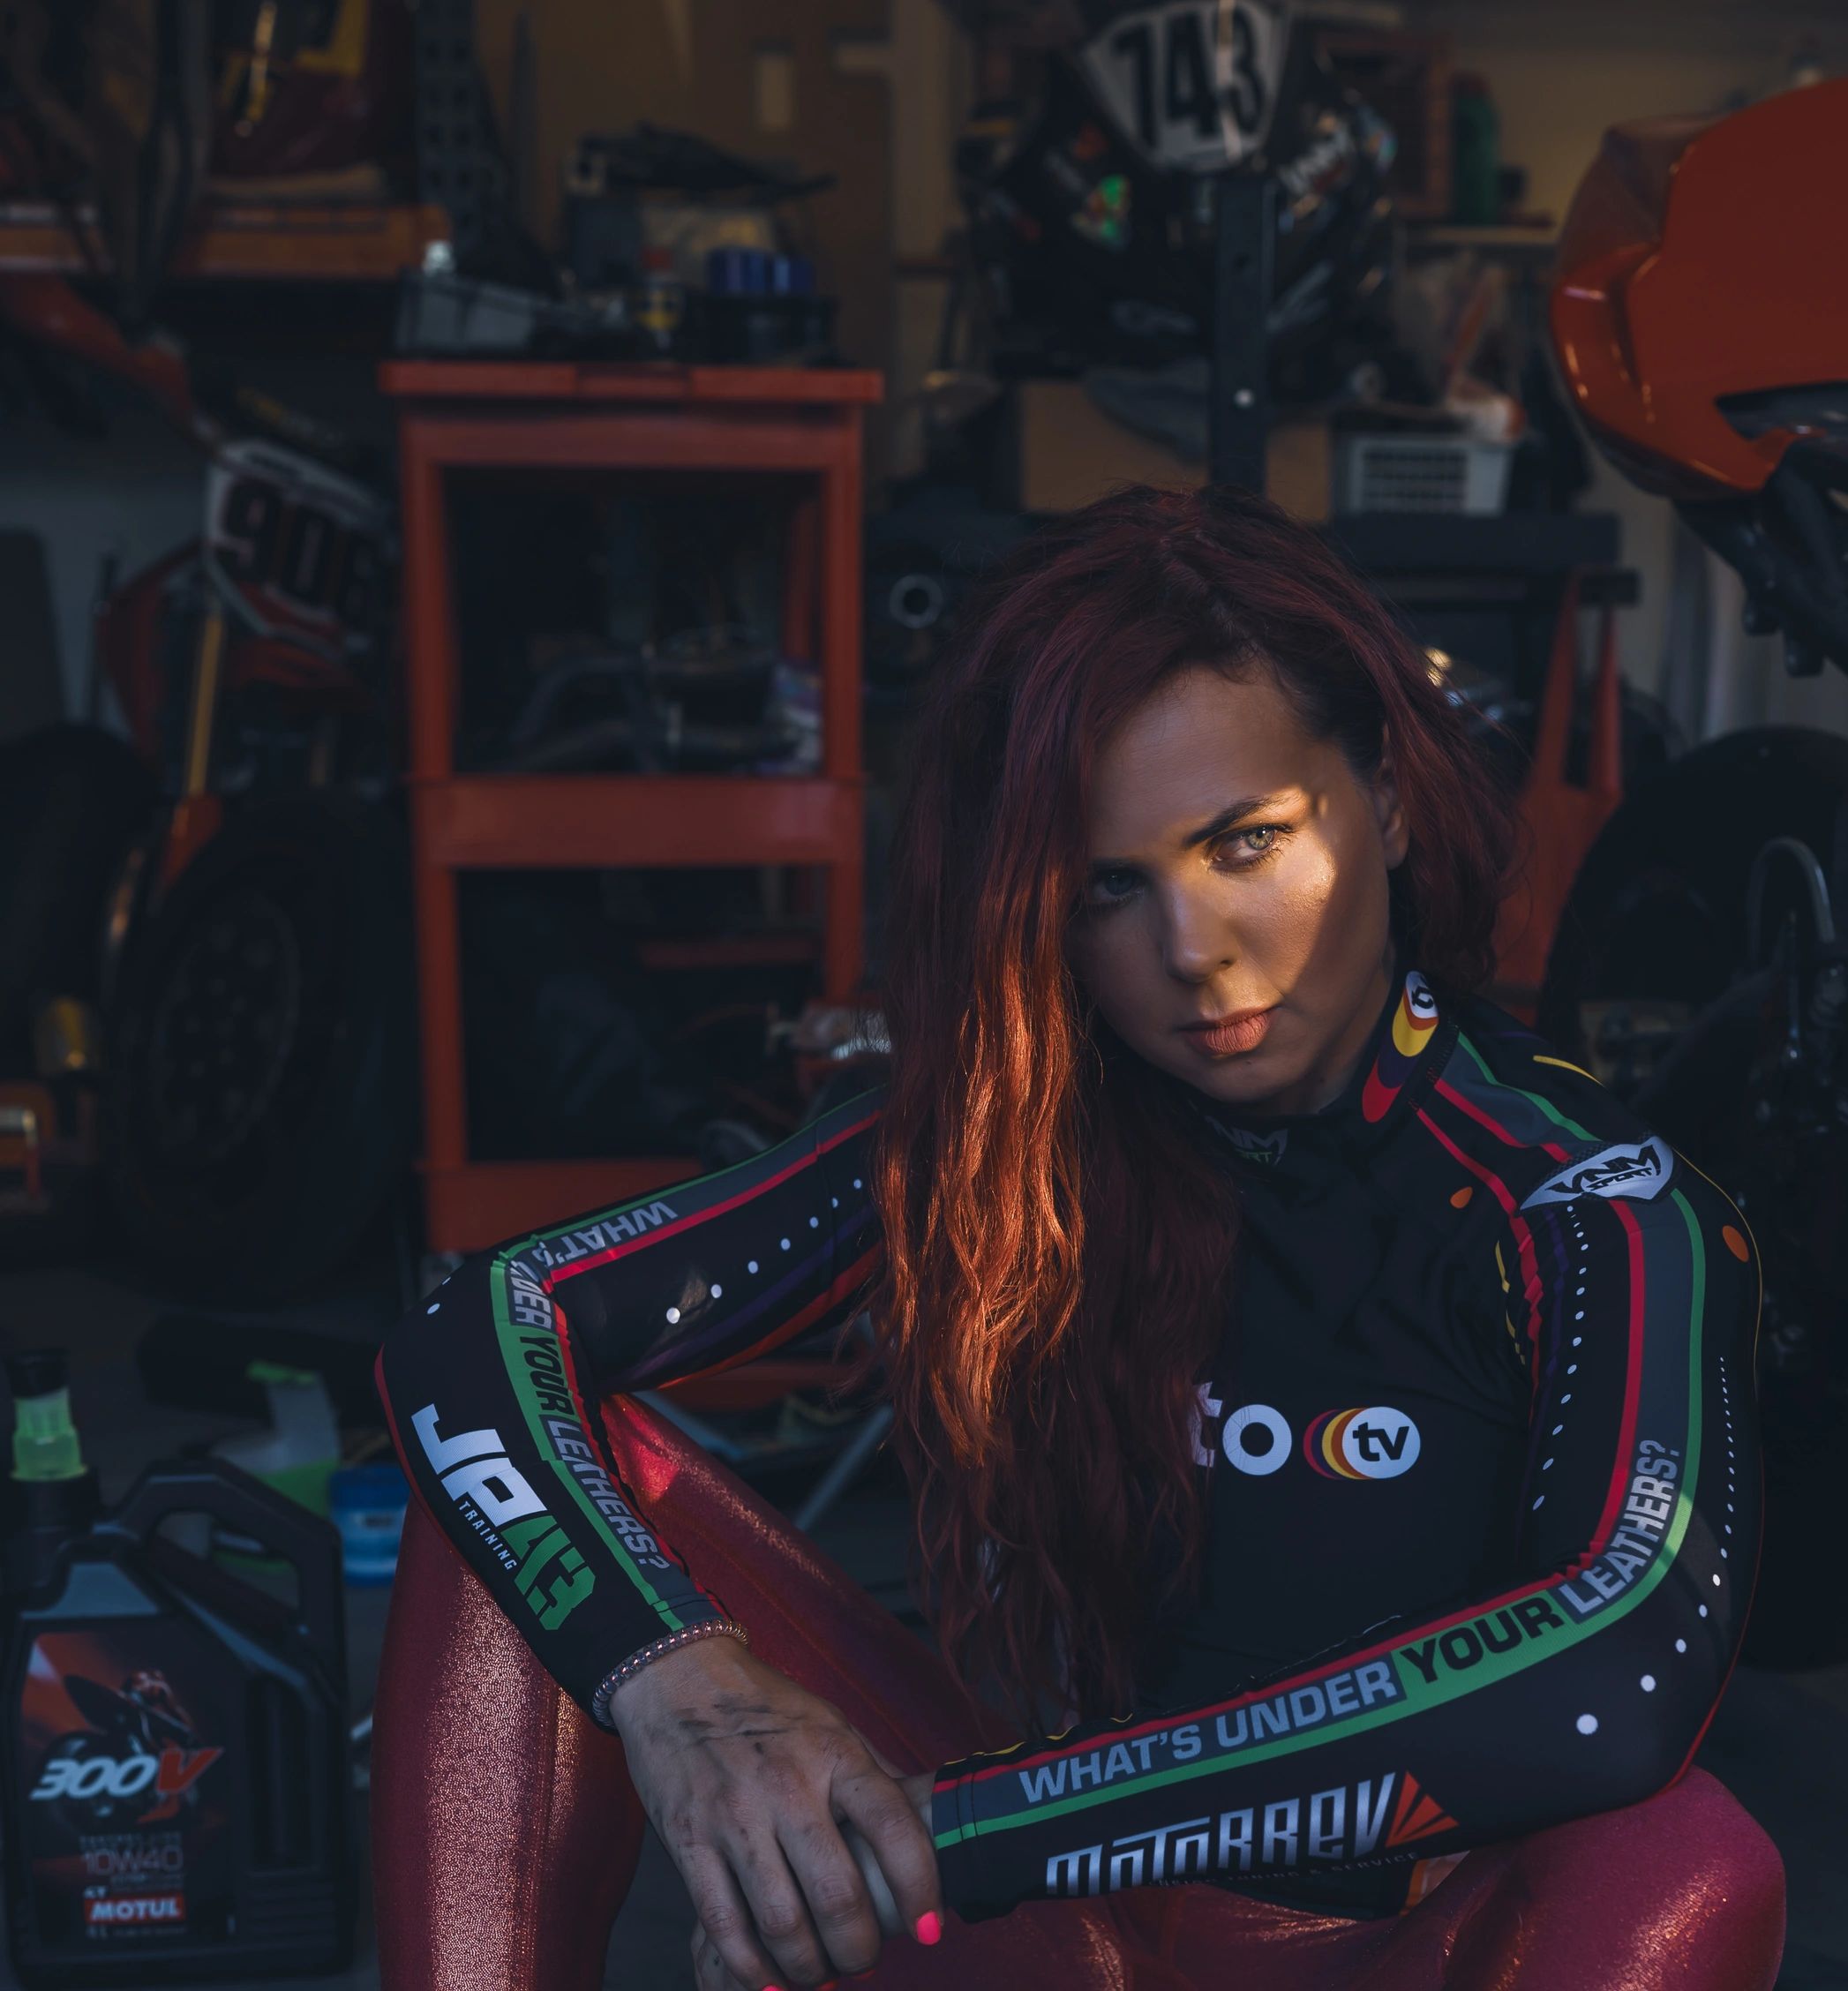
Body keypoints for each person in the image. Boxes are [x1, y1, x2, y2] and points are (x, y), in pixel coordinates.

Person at [373, 485, 1773, 1991]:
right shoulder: (1012, 1124)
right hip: (1051, 1932)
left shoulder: (1594, 1210)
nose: (1192, 950)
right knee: (531, 1520)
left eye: (1247, 842)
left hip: (1358, 1940)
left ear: (1392, 800)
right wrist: (685, 1689)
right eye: (1112, 886)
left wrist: (967, 1828)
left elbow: (1612, 1680)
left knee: (1683, 1863)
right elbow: (483, 1329)